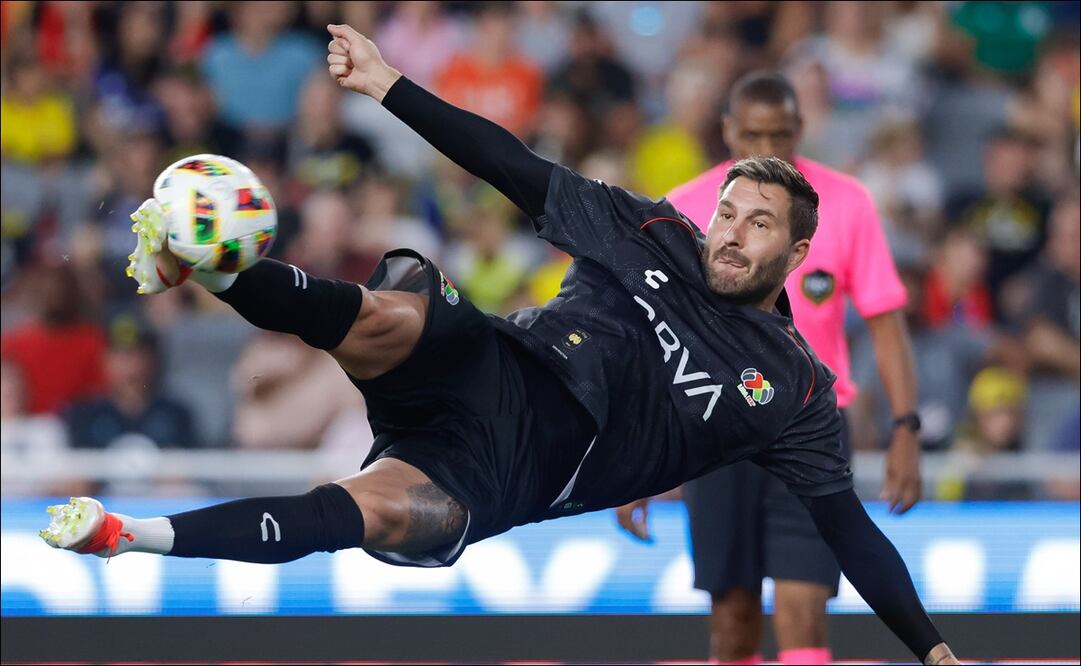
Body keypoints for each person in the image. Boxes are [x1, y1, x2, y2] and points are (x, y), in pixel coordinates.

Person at [40, 25, 958, 666]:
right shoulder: (648, 230)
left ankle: (133, 537)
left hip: (520, 470)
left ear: (794, 253)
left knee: (373, 514)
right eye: (726, 210)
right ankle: (209, 265)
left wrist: (932, 648)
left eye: (756, 224)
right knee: (391, 314)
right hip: (502, 362)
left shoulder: (791, 386)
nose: (728, 231)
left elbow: (851, 531)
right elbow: (510, 165)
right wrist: (385, 84)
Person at [616, 71, 922, 665]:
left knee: (803, 608)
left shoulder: (846, 203)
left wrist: (905, 429)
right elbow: (657, 339)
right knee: (732, 622)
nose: (764, 150)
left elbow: (886, 321)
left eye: (778, 135)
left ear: (800, 130)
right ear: (727, 130)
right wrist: (640, 456)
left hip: (808, 428)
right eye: (751, 134)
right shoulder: (681, 209)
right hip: (716, 429)